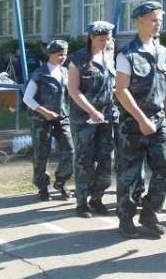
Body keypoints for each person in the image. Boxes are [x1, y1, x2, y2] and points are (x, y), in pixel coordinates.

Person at [114, 1, 166, 238]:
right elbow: (121, 90)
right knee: (130, 173)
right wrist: (140, 119)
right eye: (153, 19)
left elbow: (161, 79)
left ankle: (149, 212)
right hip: (133, 122)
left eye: (160, 19)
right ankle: (126, 217)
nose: (158, 23)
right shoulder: (127, 54)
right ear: (140, 21)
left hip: (158, 119)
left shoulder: (162, 51)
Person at [67, 21, 118, 219]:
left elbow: (112, 85)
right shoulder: (78, 59)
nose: (105, 42)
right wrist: (91, 111)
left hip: (107, 116)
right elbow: (73, 89)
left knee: (107, 159)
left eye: (107, 39)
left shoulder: (110, 56)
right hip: (84, 119)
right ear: (91, 38)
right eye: (101, 39)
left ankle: (97, 197)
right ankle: (81, 202)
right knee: (84, 160)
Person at [23, 40, 74, 201]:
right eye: (59, 54)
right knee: (41, 154)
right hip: (40, 120)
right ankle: (42, 186)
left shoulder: (66, 72)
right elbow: (27, 98)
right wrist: (44, 112)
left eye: (65, 54)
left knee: (70, 150)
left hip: (62, 117)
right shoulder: (39, 74)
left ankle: (61, 181)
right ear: (50, 54)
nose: (62, 58)